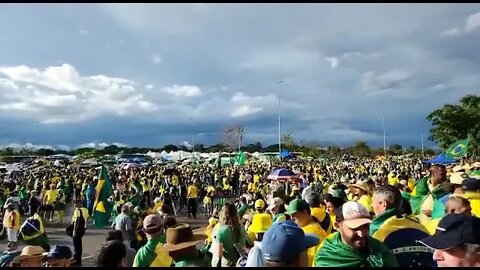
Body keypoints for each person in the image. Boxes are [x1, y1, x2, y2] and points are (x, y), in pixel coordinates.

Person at [314, 201, 399, 267]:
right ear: (338, 226)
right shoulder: (327, 255)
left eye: (365, 227)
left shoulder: (379, 250)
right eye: (354, 228)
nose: (361, 234)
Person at [370, 185, 434, 267]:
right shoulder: (422, 228)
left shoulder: (379, 234)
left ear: (383, 204)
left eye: (373, 201)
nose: (371, 205)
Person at [285, 198, 326, 266]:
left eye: (294, 214)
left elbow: (310, 261)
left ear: (304, 212)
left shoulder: (313, 232)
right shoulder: (309, 227)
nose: (292, 218)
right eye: (290, 215)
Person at [212, 202, 247, 267]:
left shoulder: (221, 230)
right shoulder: (241, 227)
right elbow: (243, 246)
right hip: (240, 261)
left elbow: (219, 255)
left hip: (228, 262)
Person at [70, 199, 88, 266]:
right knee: (79, 246)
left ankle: (76, 261)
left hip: (77, 230)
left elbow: (76, 222)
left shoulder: (77, 211)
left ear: (78, 204)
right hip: (82, 229)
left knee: (76, 246)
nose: (74, 205)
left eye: (75, 204)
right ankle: (77, 259)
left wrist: (74, 231)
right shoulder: (85, 210)